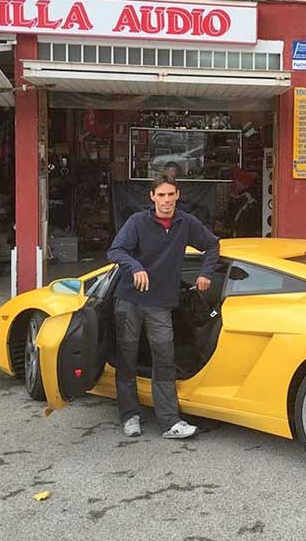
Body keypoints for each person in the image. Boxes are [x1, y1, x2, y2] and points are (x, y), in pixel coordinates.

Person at [107, 173, 219, 439]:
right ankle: (130, 416)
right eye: (161, 195)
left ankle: (169, 422)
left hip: (160, 304)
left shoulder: (186, 223)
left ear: (177, 196)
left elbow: (212, 245)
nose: (166, 200)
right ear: (152, 197)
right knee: (127, 359)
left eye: (171, 195)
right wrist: (135, 266)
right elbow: (116, 251)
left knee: (165, 361)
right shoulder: (137, 222)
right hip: (130, 300)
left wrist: (206, 273)